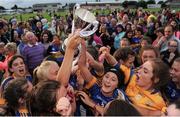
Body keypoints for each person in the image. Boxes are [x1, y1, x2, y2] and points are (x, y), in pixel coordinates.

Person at [77, 40, 127, 116]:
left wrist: (92, 104)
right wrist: (83, 46)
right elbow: (82, 66)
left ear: (117, 85)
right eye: (106, 77)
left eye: (113, 80)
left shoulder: (119, 96)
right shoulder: (95, 87)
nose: (108, 81)